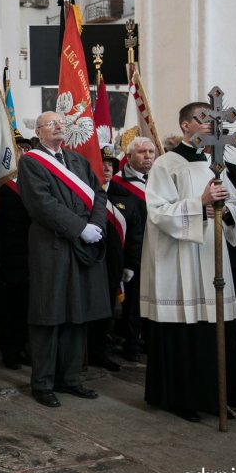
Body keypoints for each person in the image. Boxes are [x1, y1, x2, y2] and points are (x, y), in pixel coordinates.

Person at [140, 101, 236, 423]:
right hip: (178, 259)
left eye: (214, 121)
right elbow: (157, 211)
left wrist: (227, 211)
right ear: (185, 126)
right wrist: (198, 204)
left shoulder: (218, 164)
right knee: (184, 329)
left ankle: (215, 396)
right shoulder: (166, 163)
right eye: (203, 119)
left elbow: (235, 204)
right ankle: (180, 397)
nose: (210, 125)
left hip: (211, 256)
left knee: (213, 328)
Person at [16, 111, 110, 408]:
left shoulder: (77, 161)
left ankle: (70, 379)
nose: (59, 127)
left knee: (77, 312)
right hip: (51, 246)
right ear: (39, 132)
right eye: (51, 124)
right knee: (49, 313)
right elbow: (42, 204)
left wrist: (96, 225)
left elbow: (99, 194)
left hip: (81, 247)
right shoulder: (31, 162)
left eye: (61, 123)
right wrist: (80, 228)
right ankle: (42, 383)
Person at [0, 130, 33, 369]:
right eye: (14, 148)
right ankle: (9, 352)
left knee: (24, 306)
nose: (19, 152)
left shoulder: (30, 180)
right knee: (5, 309)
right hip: (4, 257)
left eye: (21, 148)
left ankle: (22, 347)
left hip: (29, 255)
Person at [89, 147, 143, 373]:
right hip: (89, 261)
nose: (107, 168)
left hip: (113, 264)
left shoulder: (126, 196)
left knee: (106, 310)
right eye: (102, 163)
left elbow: (134, 234)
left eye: (111, 164)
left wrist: (130, 264)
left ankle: (99, 352)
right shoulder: (85, 193)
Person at [110, 136, 155, 361]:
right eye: (142, 152)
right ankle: (132, 344)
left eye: (151, 152)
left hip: (157, 251)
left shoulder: (159, 179)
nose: (148, 156)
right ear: (128, 157)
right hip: (132, 254)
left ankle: (149, 340)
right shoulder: (117, 184)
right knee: (133, 303)